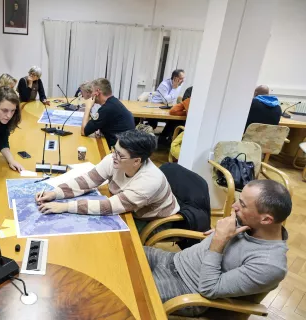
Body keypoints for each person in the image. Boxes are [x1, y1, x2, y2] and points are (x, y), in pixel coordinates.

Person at [145, 180, 290, 317]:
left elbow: (209, 289)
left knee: (130, 296)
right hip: (173, 260)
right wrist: (217, 233)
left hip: (185, 290)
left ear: (266, 219)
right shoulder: (249, 222)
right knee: (125, 256)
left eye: (243, 205)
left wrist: (219, 241)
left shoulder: (269, 265)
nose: (234, 206)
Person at [36, 130, 179, 222]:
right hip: (129, 208)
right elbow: (87, 181)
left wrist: (65, 207)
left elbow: (109, 206)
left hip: (152, 219)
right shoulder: (114, 159)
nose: (114, 156)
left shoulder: (149, 181)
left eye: (120, 155)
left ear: (137, 161)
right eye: (114, 150)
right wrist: (55, 193)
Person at [81, 78, 135, 148]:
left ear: (97, 92)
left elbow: (83, 131)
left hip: (120, 151)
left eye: (92, 92)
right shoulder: (113, 102)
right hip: (126, 145)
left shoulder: (107, 109)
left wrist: (88, 107)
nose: (91, 95)